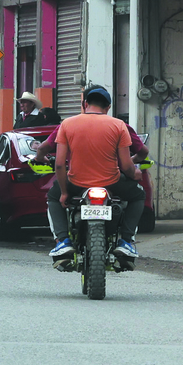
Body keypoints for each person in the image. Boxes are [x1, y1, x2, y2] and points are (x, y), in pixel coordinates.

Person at [46, 85, 146, 268]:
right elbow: (126, 166)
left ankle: (63, 241)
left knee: (52, 197)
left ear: (85, 104)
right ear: (108, 107)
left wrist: (63, 192)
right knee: (138, 195)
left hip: (76, 182)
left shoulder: (67, 124)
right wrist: (136, 174)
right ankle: (125, 241)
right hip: (112, 182)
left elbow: (59, 164)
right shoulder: (118, 125)